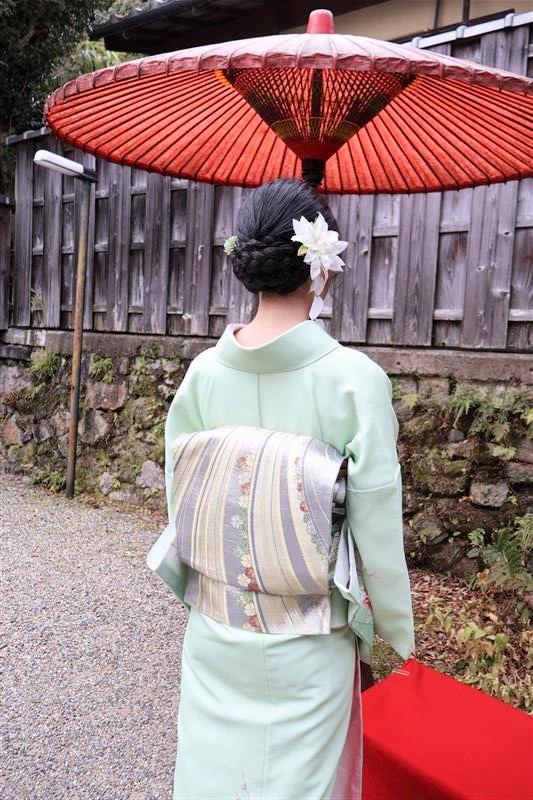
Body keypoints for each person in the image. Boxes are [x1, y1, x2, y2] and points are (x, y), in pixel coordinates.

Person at [157, 178, 414, 800]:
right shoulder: (355, 381)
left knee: (214, 781)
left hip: (217, 630)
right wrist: (393, 628)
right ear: (320, 267)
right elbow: (376, 523)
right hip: (309, 642)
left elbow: (183, 505)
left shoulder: (203, 377)